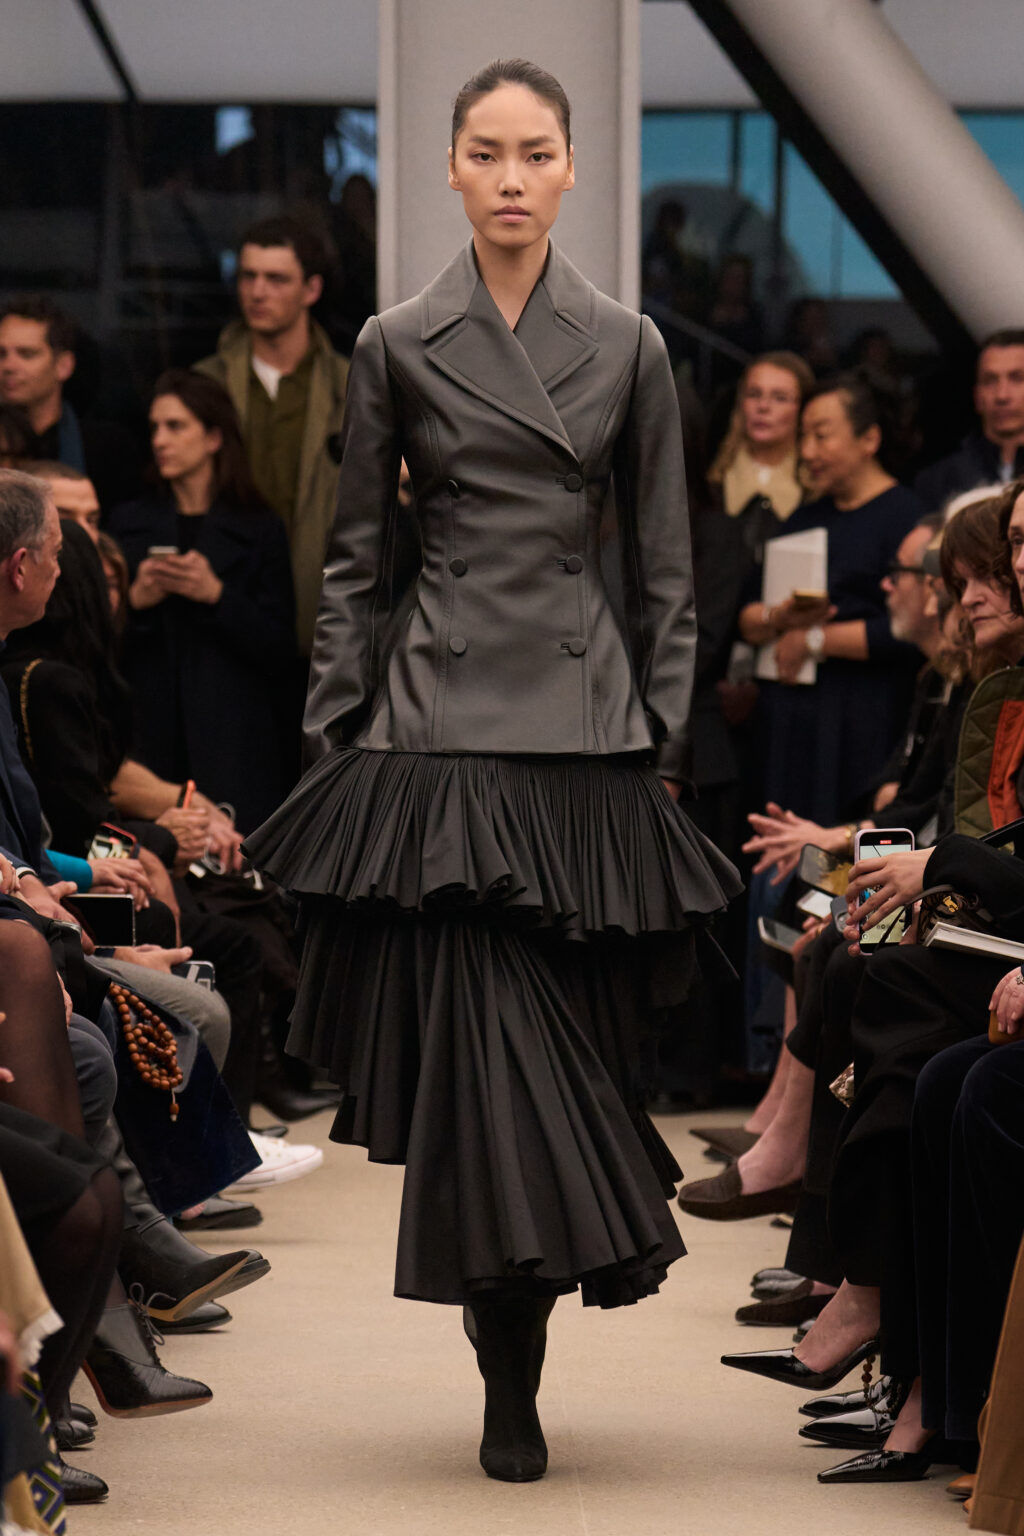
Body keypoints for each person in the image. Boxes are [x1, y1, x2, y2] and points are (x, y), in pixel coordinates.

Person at [245, 58, 740, 1484]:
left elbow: (664, 573)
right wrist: (331, 743)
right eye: (485, 152)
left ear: (571, 167)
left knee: (564, 1069)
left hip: (585, 753)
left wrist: (661, 747)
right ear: (451, 168)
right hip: (436, 740)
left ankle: (524, 1339)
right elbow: (357, 564)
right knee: (485, 1081)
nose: (511, 177)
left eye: (534, 153)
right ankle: (504, 1375)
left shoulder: (631, 346)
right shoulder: (396, 341)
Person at [109, 369, 296, 834]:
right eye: (154, 427)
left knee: (237, 859)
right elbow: (95, 645)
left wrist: (216, 596)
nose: (159, 440)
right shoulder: (127, 522)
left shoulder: (260, 526)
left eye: (175, 426)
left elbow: (281, 649)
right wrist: (134, 601)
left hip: (234, 737)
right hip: (148, 732)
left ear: (214, 437)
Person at [738, 373, 925, 825]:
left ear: (869, 439)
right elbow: (745, 618)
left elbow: (910, 630)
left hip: (863, 727)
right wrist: (780, 617)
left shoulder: (907, 518)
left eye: (821, 436)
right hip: (787, 730)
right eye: (804, 437)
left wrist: (814, 641)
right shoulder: (804, 517)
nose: (807, 452)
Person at [195, 217, 349, 656]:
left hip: (322, 616)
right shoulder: (206, 385)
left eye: (276, 279)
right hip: (226, 615)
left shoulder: (350, 386)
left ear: (311, 290)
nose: (257, 292)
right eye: (248, 276)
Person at [0, 297, 142, 511]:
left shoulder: (107, 449)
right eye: (1, 354)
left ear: (63, 366)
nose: (8, 366)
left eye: (26, 354)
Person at [915, 330, 1024, 511]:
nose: (1002, 395)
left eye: (1017, 378)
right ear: (977, 396)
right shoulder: (938, 480)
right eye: (990, 380)